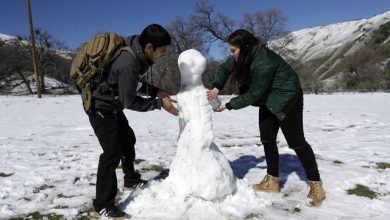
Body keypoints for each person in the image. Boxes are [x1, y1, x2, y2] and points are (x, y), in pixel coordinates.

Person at [207, 29, 325, 207]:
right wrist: (216, 87)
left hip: (287, 98)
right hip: (268, 98)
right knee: (267, 139)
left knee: (296, 142)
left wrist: (228, 105)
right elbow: (225, 68)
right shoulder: (244, 56)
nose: (231, 54)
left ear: (244, 47)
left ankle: (316, 185)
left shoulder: (265, 62)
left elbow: (254, 94)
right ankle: (272, 181)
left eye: (233, 50)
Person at [86, 24, 179, 218]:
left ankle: (131, 180)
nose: (163, 55)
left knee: (127, 139)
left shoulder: (137, 52)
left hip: (112, 103)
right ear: (149, 47)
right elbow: (129, 100)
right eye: (161, 51)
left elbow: (131, 82)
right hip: (99, 106)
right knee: (111, 153)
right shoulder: (130, 62)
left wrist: (155, 91)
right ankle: (103, 204)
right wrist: (159, 103)